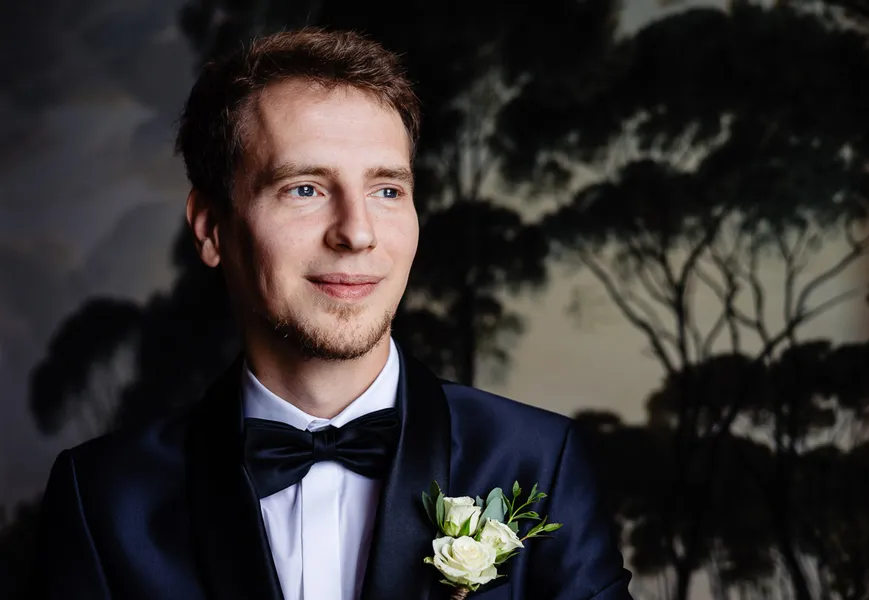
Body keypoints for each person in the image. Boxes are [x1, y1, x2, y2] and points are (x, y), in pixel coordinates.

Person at [36, 28, 632, 600]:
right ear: (211, 227)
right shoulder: (103, 497)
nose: (357, 232)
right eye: (305, 188)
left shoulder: (539, 461)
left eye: (387, 190)